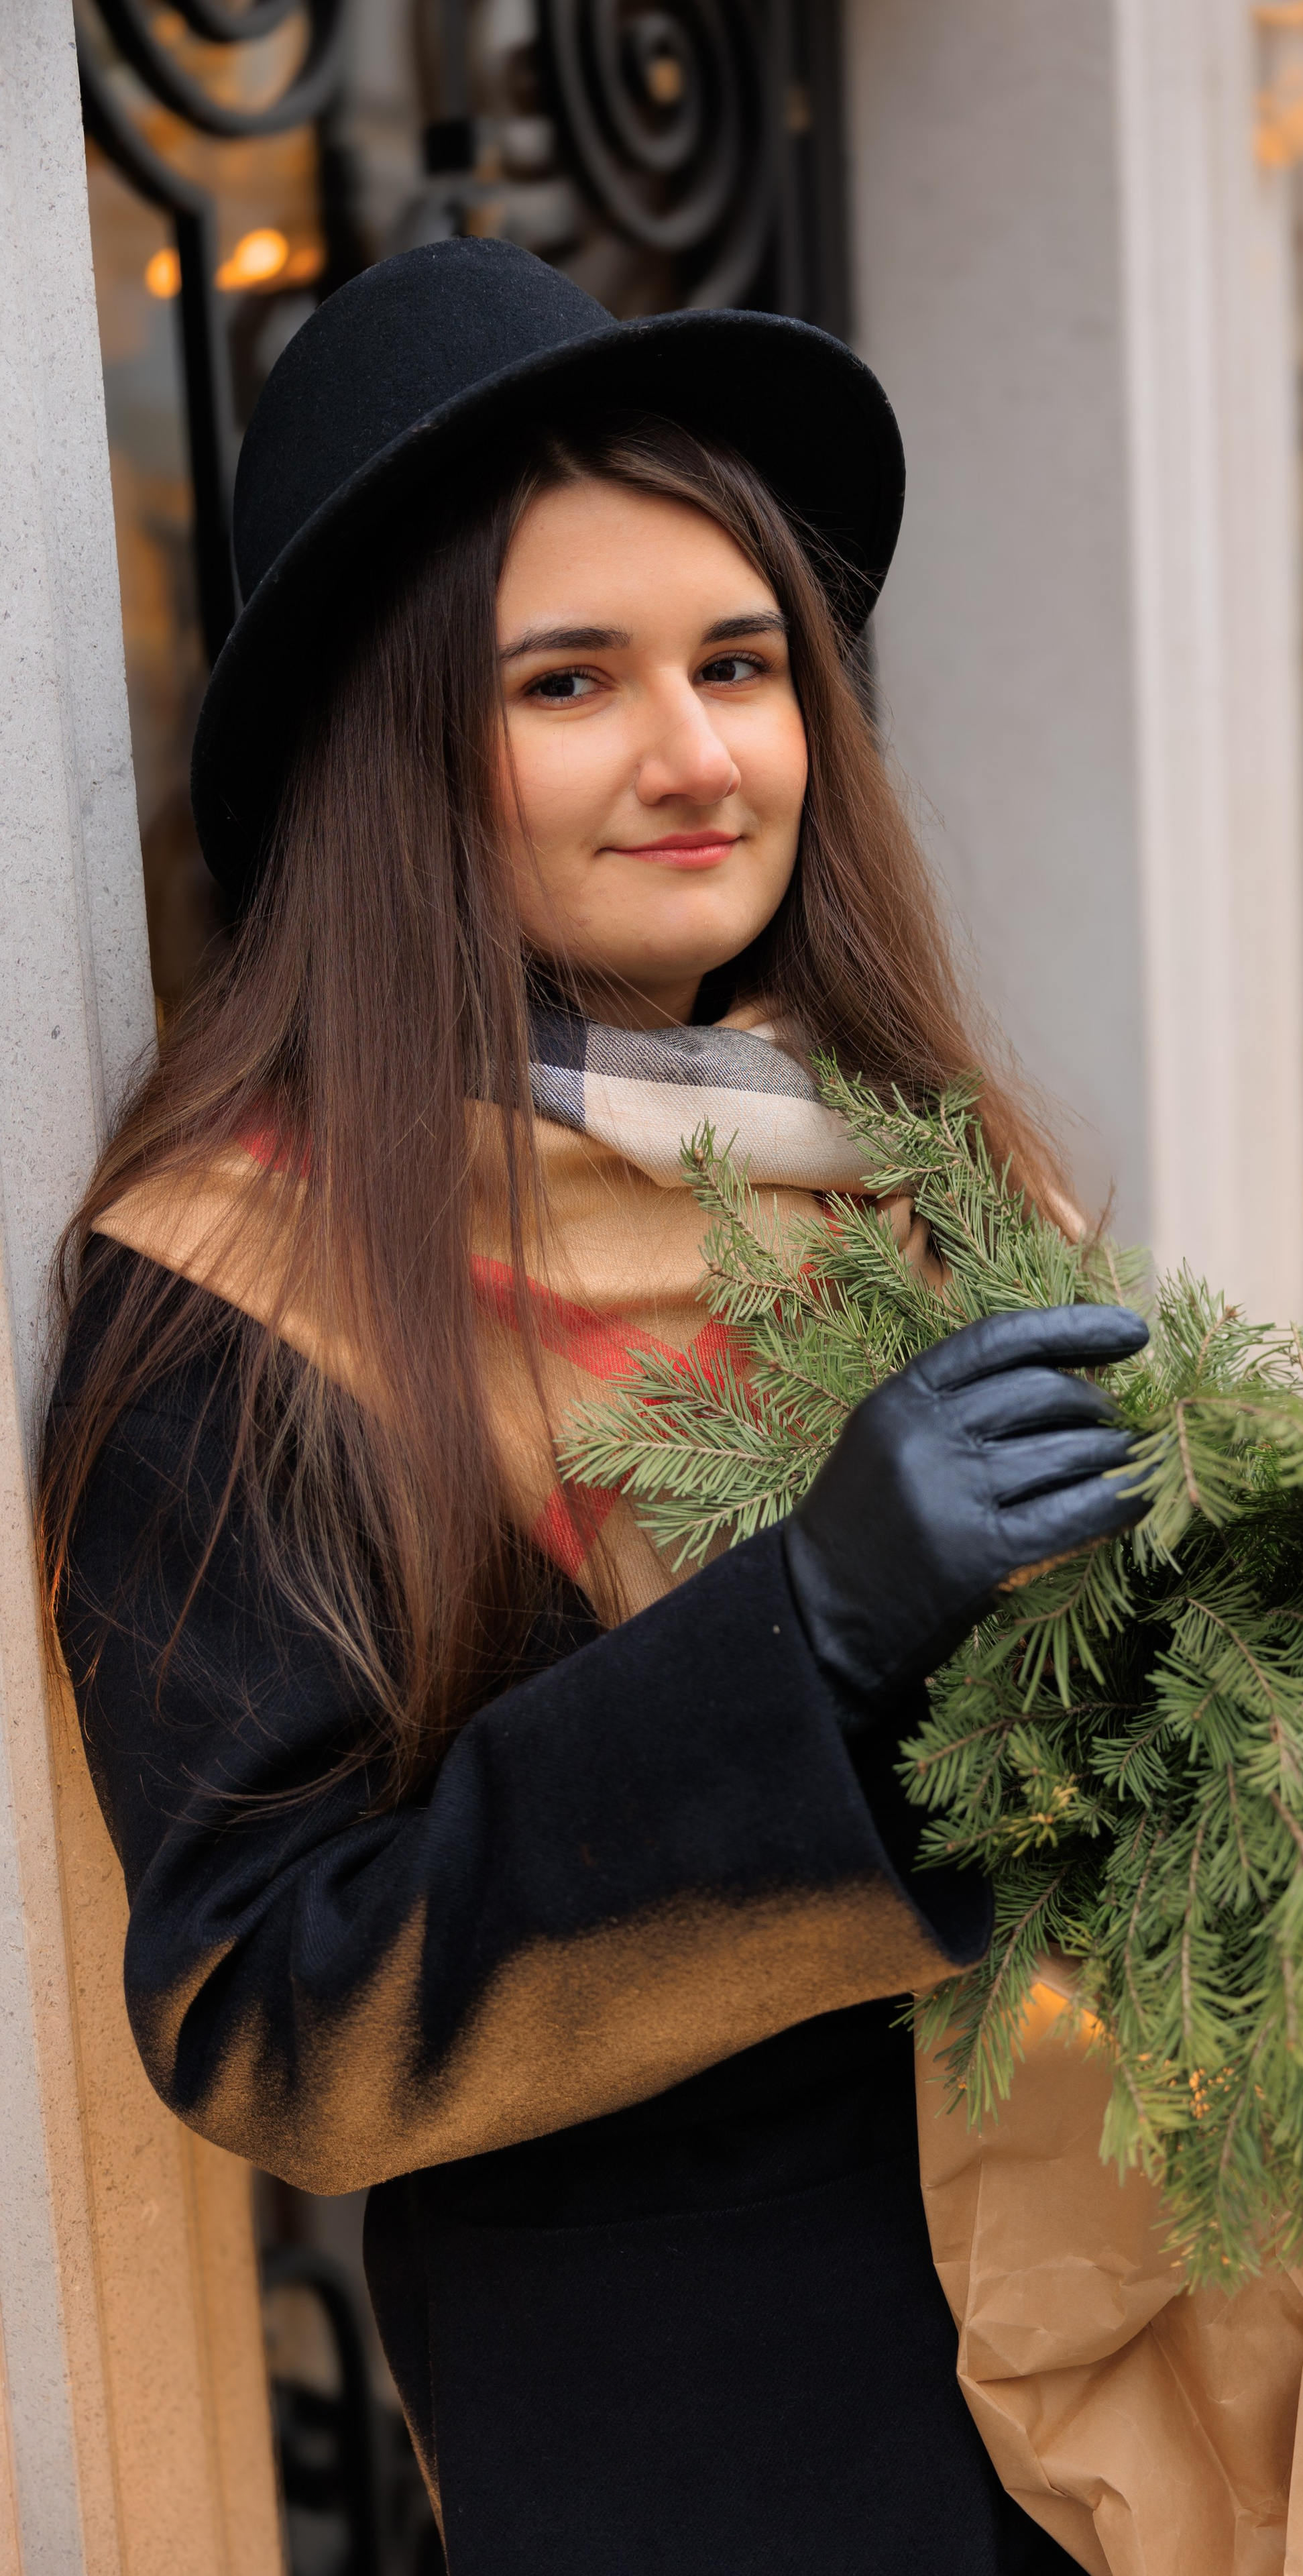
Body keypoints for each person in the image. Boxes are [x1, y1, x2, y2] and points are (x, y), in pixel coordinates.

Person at [38, 239, 1152, 2574]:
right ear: (396, 750)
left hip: (1140, 2389)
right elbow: (279, 2024)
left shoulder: (938, 1167)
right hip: (712, 2474)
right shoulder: (242, 1290)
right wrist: (804, 1637)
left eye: (742, 663)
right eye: (575, 681)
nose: (701, 754)